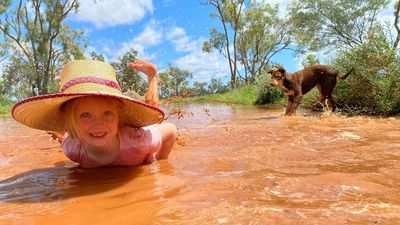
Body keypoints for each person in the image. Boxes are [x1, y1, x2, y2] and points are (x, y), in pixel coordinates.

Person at [12, 59, 177, 168]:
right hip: (75, 133)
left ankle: (152, 76)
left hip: (127, 134)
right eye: (86, 115)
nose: (98, 123)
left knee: (153, 119)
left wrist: (160, 163)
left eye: (107, 114)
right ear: (70, 122)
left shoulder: (139, 141)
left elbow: (170, 131)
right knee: (70, 135)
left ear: (119, 117)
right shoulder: (72, 149)